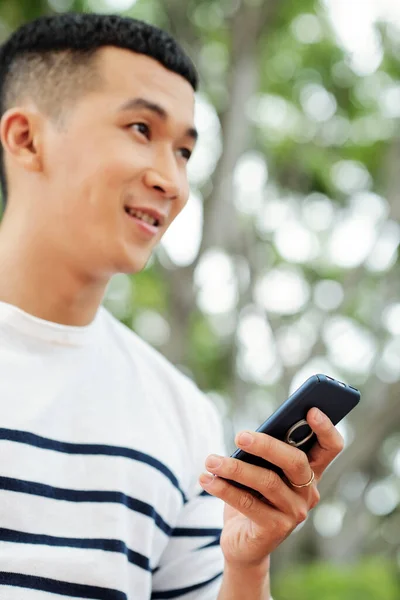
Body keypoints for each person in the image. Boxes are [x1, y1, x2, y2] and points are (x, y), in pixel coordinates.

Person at [0, 12, 344, 600]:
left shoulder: (180, 414)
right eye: (140, 128)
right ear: (27, 139)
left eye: (184, 151)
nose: (172, 181)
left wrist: (246, 568)